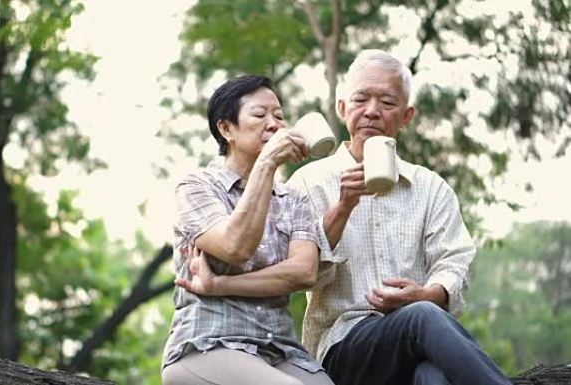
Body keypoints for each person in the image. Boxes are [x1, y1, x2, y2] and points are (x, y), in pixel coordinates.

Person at [286, 50, 512, 385]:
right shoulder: (307, 183)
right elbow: (300, 274)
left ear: (406, 116)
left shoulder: (431, 187)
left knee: (431, 377)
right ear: (342, 108)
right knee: (420, 317)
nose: (373, 111)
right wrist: (343, 207)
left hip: (419, 349)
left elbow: (455, 262)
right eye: (361, 99)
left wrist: (427, 294)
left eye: (388, 102)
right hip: (344, 351)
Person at [161, 75, 334, 385]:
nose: (274, 124)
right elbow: (235, 246)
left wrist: (220, 285)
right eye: (259, 115)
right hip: (207, 344)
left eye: (279, 116)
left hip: (280, 351)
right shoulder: (196, 187)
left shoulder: (294, 199)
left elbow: (303, 273)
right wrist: (267, 163)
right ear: (226, 129)